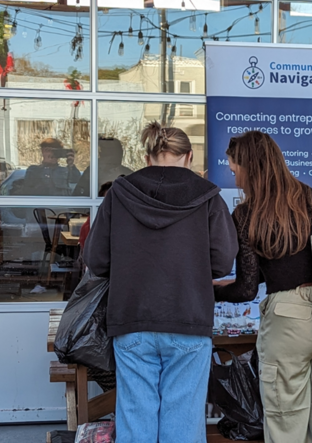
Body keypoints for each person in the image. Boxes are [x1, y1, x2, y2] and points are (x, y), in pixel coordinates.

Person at [84, 121, 238, 443]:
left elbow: (96, 260)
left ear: (147, 155)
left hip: (131, 319)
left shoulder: (119, 193)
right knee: (182, 421)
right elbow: (223, 262)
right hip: (189, 318)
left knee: (135, 418)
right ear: (190, 156)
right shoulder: (208, 197)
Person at [214, 131, 312, 443]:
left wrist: (213, 290)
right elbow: (309, 261)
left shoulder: (246, 214)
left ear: (249, 166)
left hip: (290, 320)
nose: (232, 172)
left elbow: (246, 290)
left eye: (234, 166)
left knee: (285, 424)